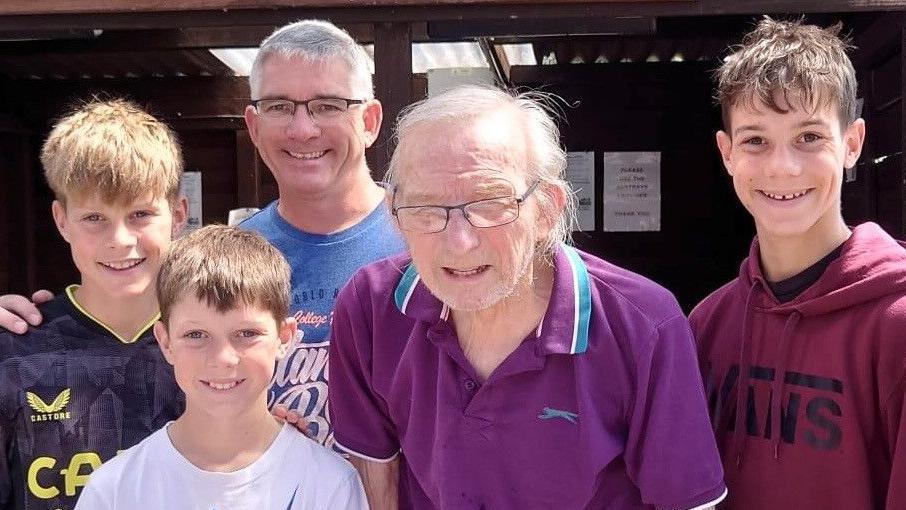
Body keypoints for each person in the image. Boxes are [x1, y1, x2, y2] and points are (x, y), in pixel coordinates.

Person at [0, 19, 406, 448]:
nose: (302, 129)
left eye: (327, 105)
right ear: (253, 125)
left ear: (370, 120)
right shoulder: (223, 261)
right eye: (279, 106)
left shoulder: (431, 243)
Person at [328, 85, 727, 509]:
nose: (459, 242)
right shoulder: (370, 306)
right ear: (394, 212)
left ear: (547, 209)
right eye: (427, 209)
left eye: (490, 203)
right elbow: (376, 475)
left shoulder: (643, 325)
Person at [690, 17, 906, 509]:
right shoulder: (705, 324)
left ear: (852, 144)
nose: (781, 167)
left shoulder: (897, 323)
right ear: (726, 154)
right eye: (755, 140)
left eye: (809, 137)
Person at [75, 225, 368, 510]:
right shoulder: (114, 490)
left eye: (246, 334)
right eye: (196, 335)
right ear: (165, 342)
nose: (223, 358)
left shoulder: (331, 485)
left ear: (284, 337)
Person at [0, 99, 187, 509]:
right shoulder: (13, 353)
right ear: (61, 219)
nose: (120, 239)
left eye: (140, 213)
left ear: (178, 214)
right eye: (94, 218)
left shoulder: (213, 350)